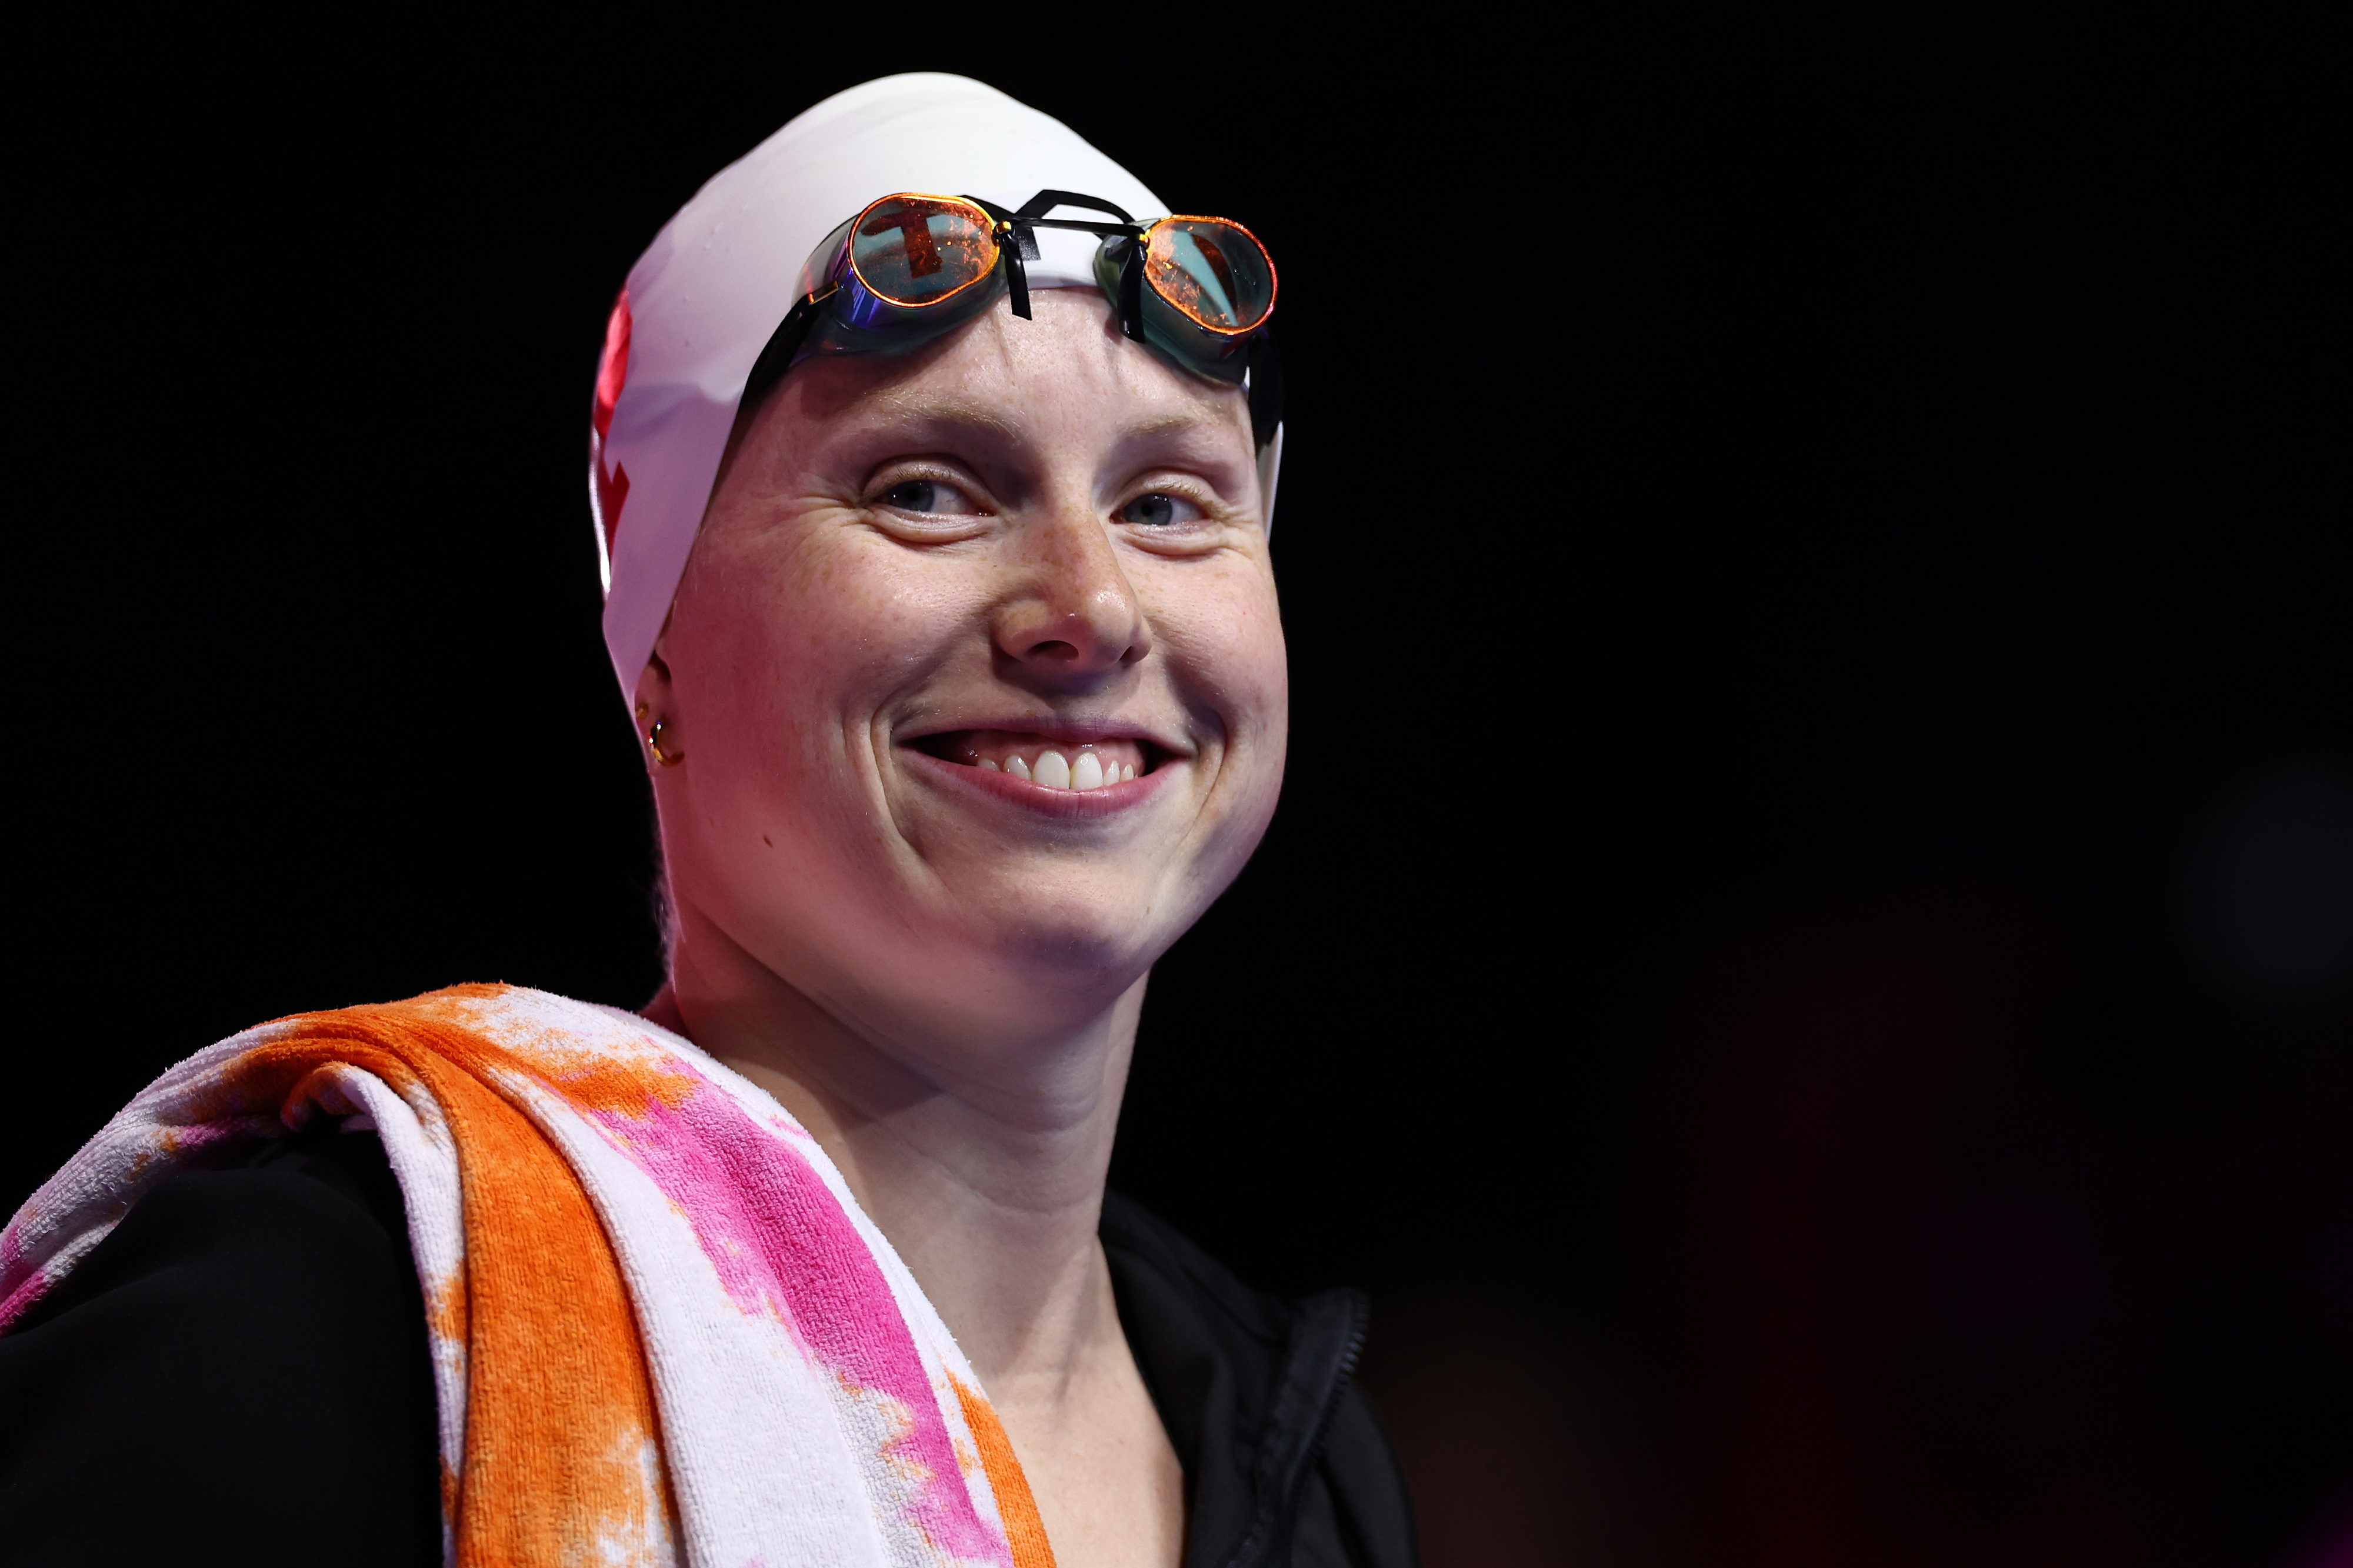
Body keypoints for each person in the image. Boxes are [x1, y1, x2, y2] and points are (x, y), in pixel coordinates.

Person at [0, 74, 1414, 1568]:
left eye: (1171, 505)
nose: (1090, 609)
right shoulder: (337, 1327)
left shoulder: (1298, 1463)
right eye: (928, 490)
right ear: (654, 630)